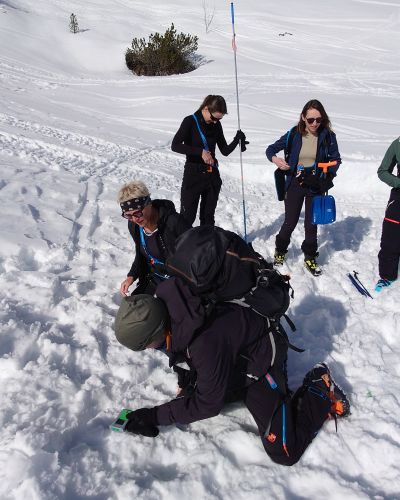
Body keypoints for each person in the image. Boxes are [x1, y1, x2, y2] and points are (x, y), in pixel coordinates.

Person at [113, 278, 350, 466]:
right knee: (190, 398)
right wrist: (187, 383)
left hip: (261, 360)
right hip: (234, 354)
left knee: (284, 450)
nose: (148, 350)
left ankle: (319, 388)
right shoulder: (173, 314)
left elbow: (207, 405)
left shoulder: (203, 344)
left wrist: (153, 416)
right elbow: (179, 352)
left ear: (155, 333)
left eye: (145, 345)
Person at [266, 99, 341, 276]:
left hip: (316, 184)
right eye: (310, 120)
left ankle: (310, 256)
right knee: (290, 222)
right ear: (303, 117)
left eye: (318, 120)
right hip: (295, 184)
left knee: (311, 224)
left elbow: (336, 159)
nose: (315, 123)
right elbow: (270, 149)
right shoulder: (294, 134)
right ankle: (280, 251)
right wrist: (276, 159)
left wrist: (328, 176)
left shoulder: (327, 136)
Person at [171, 94, 247, 226]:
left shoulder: (216, 125)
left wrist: (236, 140)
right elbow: (175, 145)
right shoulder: (190, 121)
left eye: (219, 119)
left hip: (212, 176)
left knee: (208, 218)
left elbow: (224, 150)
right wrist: (200, 152)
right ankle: (184, 246)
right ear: (206, 108)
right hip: (193, 174)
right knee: (187, 218)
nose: (215, 121)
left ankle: (206, 245)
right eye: (214, 118)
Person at [118, 181, 191, 296]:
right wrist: (132, 275)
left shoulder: (174, 223)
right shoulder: (134, 226)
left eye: (137, 213)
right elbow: (142, 254)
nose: (135, 219)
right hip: (154, 278)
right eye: (128, 215)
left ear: (149, 204)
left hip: (180, 281)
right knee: (135, 309)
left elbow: (195, 257)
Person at [376, 137, 400, 292]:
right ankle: (387, 275)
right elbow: (382, 171)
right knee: (390, 238)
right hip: (399, 199)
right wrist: (398, 182)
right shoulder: (398, 144)